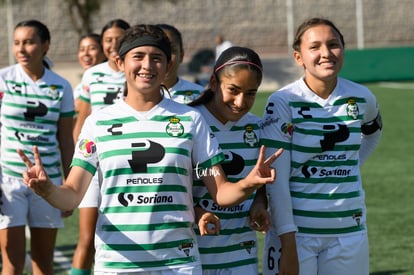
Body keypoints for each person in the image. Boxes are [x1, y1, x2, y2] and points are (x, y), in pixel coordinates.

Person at [18, 24, 281, 274]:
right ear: (120, 62)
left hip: (178, 262)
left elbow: (221, 192)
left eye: (157, 58)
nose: (147, 65)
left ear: (168, 66)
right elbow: (73, 195)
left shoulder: (191, 121)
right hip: (117, 263)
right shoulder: (97, 123)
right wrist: (48, 189)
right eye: (138, 56)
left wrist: (249, 183)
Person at [260, 17, 382, 275]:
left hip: (349, 232)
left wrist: (351, 164)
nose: (326, 53)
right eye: (315, 47)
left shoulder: (362, 97)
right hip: (298, 235)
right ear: (298, 57)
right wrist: (288, 242)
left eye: (333, 44)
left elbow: (372, 132)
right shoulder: (282, 102)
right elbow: (276, 181)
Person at [0, 19, 74, 274]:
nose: (21, 49)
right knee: (13, 263)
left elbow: (66, 139)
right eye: (17, 43)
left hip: (47, 182)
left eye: (29, 42)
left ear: (45, 46)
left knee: (43, 263)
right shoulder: (3, 80)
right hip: (8, 181)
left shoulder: (61, 86)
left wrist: (69, 187)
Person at [188, 46, 270, 274]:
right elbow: (170, 187)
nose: (240, 101)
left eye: (251, 93)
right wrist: (197, 212)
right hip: (192, 253)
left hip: (241, 253)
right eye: (233, 90)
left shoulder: (258, 126)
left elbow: (260, 180)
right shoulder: (190, 122)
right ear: (214, 83)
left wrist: (259, 204)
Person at [70, 19, 130, 275]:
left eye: (120, 39)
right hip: (95, 165)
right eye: (108, 40)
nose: (113, 44)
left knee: (123, 238)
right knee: (87, 239)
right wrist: (77, 162)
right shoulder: (92, 75)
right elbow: (82, 120)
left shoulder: (137, 71)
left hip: (126, 165)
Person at [157, 24, 205, 104]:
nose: (165, 57)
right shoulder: (133, 96)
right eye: (159, 51)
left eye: (172, 50)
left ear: (181, 56)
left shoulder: (199, 95)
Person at [73, 33, 106, 117]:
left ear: (103, 52)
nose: (86, 54)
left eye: (92, 48)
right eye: (82, 49)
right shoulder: (79, 87)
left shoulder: (109, 82)